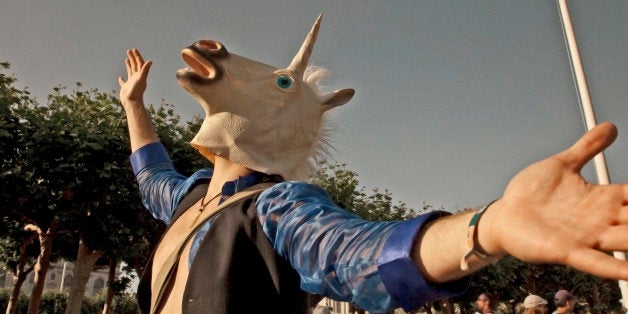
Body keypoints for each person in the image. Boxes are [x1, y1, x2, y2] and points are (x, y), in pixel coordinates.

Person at [118, 14, 628, 314]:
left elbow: (353, 252)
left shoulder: (278, 207)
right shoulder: (190, 196)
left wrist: (485, 228)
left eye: (282, 84)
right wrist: (133, 106)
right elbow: (149, 174)